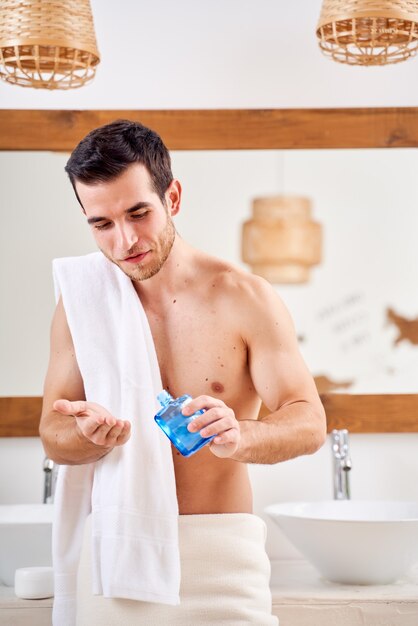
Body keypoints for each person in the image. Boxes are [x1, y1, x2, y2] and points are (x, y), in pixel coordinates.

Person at [40, 120, 326, 625]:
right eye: (101, 223)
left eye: (138, 213)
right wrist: (91, 436)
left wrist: (241, 435)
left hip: (222, 555)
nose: (124, 240)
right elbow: (54, 437)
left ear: (172, 196)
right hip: (116, 553)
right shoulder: (81, 302)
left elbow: (308, 423)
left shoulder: (244, 296)